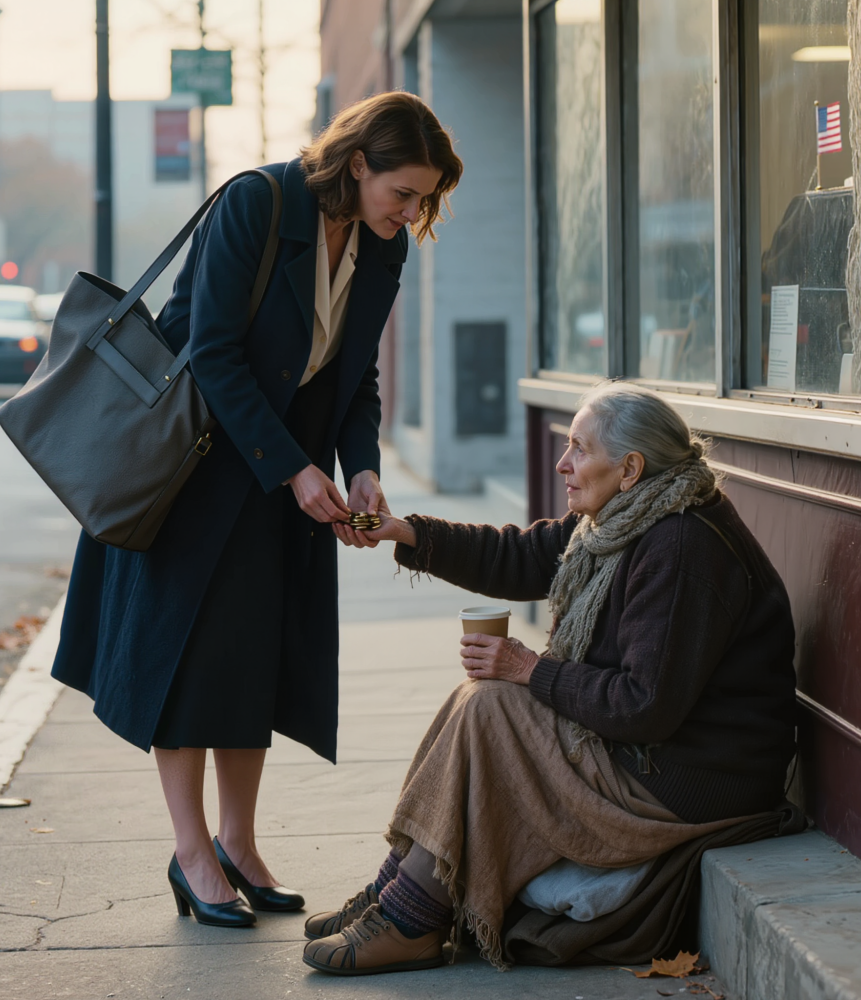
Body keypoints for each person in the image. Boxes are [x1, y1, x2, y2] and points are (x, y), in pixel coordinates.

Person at [50, 92, 463, 928]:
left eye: (423, 199)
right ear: (358, 165)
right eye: (403, 193)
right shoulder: (258, 203)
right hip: (198, 469)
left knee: (254, 658)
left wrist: (363, 470)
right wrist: (295, 473)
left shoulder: (383, 249)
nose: (412, 212)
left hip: (285, 474)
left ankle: (238, 842)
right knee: (186, 657)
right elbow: (211, 352)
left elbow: (357, 377)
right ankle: (193, 852)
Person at [301, 381, 798, 975]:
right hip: (650, 754)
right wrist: (404, 531)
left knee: (491, 707)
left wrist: (531, 669)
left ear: (630, 468)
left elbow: (645, 706)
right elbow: (522, 555)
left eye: (579, 449)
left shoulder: (682, 546)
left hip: (683, 781)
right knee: (478, 699)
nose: (562, 463)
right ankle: (395, 892)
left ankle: (411, 921)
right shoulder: (624, 518)